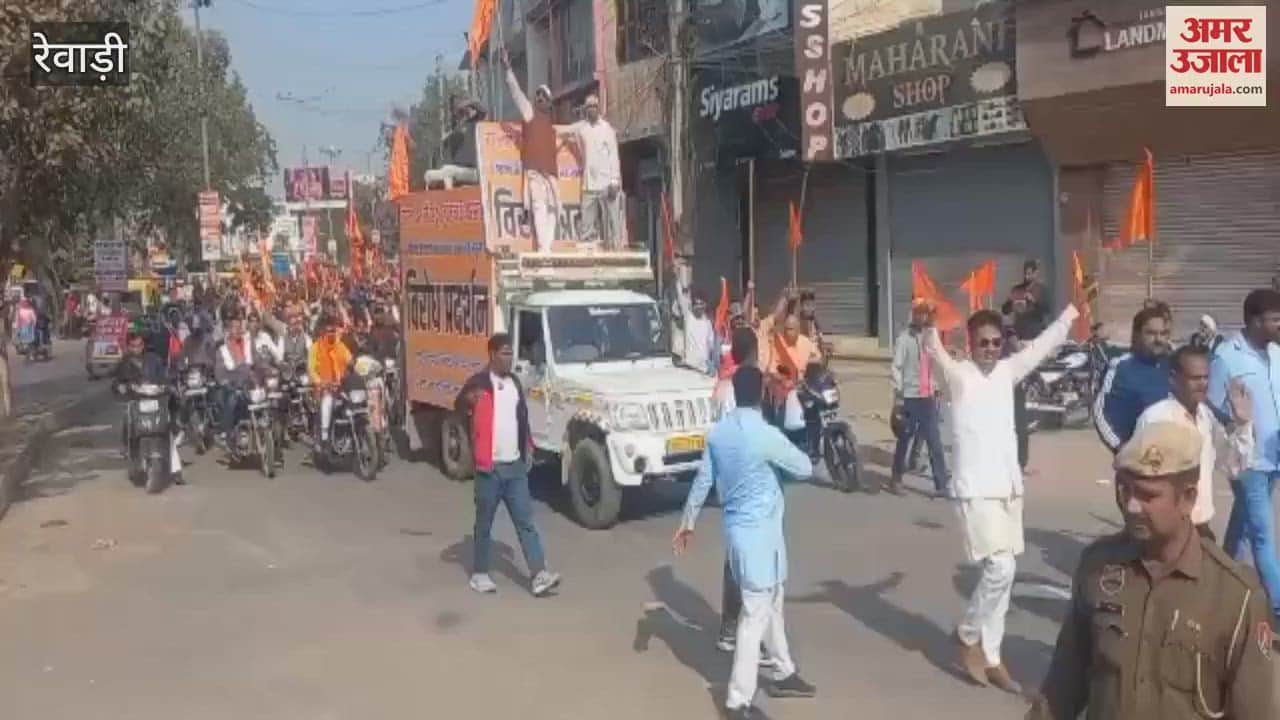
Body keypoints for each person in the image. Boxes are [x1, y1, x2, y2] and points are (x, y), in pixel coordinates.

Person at [1027, 421, 1276, 720]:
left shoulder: (1236, 598)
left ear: (1188, 498)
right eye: (1125, 490)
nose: (1131, 506)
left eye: (1147, 495)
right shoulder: (1098, 567)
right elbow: (1061, 688)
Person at [923, 301, 1081, 693]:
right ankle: (967, 634)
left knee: (1006, 574)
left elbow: (1041, 347)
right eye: (983, 343)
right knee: (1000, 569)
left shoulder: (1008, 371)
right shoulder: (958, 376)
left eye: (995, 342)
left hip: (1008, 488)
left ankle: (992, 657)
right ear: (970, 344)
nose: (990, 349)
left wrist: (1072, 313)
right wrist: (927, 325)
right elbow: (934, 352)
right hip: (975, 491)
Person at [674, 366, 817, 719]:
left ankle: (784, 671)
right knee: (754, 615)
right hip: (759, 539)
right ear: (761, 394)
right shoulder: (766, 435)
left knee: (774, 603)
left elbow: (702, 481)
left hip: (744, 535)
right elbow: (805, 468)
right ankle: (738, 700)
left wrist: (687, 523)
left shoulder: (719, 435)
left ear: (736, 392)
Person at [455, 333, 561, 597]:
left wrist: (528, 448)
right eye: (504, 353)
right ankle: (480, 574)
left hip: (514, 468)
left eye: (510, 353)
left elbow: (521, 419)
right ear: (491, 354)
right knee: (484, 525)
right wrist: (469, 403)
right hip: (489, 469)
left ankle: (538, 574)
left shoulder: (514, 382)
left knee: (525, 522)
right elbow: (459, 406)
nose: (509, 358)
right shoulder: (478, 383)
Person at [1210, 288, 1280, 626]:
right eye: (1275, 319)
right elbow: (1210, 403)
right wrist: (1237, 423)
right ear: (1255, 321)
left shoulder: (1277, 355)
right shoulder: (1226, 357)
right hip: (1247, 461)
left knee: (1242, 529)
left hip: (1273, 458)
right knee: (1263, 535)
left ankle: (1218, 589)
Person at [1133, 345, 1253, 540]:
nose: (1203, 384)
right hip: (1167, 530)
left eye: (1206, 378)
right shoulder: (1157, 418)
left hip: (1200, 528)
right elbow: (1143, 480)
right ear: (1173, 379)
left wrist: (1242, 424)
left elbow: (1233, 467)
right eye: (1195, 378)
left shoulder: (1206, 418)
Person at [501, 48, 561, 252]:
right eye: (538, 96)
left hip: (551, 175)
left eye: (543, 97)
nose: (540, 99)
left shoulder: (551, 125)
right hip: (535, 173)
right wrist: (508, 70)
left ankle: (548, 248)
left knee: (554, 209)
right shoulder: (530, 114)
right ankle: (544, 251)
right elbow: (516, 93)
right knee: (539, 207)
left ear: (549, 102)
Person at [890, 299, 950, 497]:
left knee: (934, 441)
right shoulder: (904, 339)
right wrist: (898, 395)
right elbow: (896, 368)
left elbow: (935, 365)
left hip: (927, 397)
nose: (922, 316)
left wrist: (937, 386)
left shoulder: (931, 337)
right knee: (904, 440)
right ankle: (896, 479)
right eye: (919, 312)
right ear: (913, 314)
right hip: (909, 397)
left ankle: (941, 485)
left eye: (925, 313)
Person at [1094, 306, 1173, 454]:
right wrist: (1120, 448)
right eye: (1151, 333)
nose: (1158, 339)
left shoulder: (1174, 365)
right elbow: (1101, 412)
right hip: (1138, 463)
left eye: (1163, 333)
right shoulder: (1121, 368)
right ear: (1136, 335)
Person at [113, 332, 184, 483]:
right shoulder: (124, 363)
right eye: (133, 346)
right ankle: (128, 449)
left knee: (166, 430)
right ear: (128, 347)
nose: (137, 348)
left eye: (139, 345)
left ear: (143, 345)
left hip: (155, 402)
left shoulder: (154, 360)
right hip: (136, 403)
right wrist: (120, 387)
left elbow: (164, 377)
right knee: (127, 420)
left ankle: (176, 470)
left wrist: (167, 386)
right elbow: (116, 382)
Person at [570, 94, 623, 248]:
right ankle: (588, 254)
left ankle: (617, 251)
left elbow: (613, 155)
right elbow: (572, 138)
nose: (591, 109)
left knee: (612, 222)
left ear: (598, 109)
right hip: (589, 184)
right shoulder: (582, 130)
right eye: (589, 107)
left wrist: (614, 180)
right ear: (585, 110)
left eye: (594, 106)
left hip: (607, 184)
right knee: (587, 224)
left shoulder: (607, 129)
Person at [308, 315, 353, 443]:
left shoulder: (340, 345)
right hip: (323, 389)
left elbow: (350, 361)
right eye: (328, 331)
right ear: (323, 331)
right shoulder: (316, 347)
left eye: (333, 330)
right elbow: (311, 369)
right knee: (327, 403)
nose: (331, 333)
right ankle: (324, 437)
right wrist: (320, 382)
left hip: (341, 387)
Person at [425, 97, 485, 190]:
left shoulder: (474, 123)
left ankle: (450, 196)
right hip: (457, 167)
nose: (458, 114)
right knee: (430, 174)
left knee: (448, 171)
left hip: (471, 168)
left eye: (459, 111)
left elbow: (482, 110)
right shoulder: (455, 129)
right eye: (456, 112)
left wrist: (467, 103)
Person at [215, 314, 255, 442]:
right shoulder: (222, 350)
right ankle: (226, 432)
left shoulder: (248, 345)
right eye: (235, 328)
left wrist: (270, 370)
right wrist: (226, 382)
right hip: (232, 388)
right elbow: (219, 372)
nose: (238, 330)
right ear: (228, 331)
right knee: (232, 400)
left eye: (240, 327)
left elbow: (259, 362)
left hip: (250, 387)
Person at [673, 266, 716, 375]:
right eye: (696, 304)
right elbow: (681, 295)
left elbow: (711, 345)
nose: (699, 306)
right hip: (689, 367)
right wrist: (678, 276)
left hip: (704, 368)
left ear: (705, 305)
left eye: (701, 304)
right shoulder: (688, 317)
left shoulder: (708, 323)